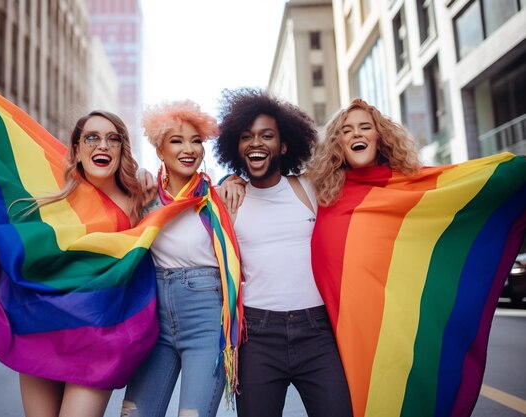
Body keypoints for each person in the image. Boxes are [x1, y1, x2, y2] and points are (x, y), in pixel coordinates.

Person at [0, 72, 154, 417]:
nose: (103, 145)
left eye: (113, 139)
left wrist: (234, 180)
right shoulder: (44, 199)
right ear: (78, 150)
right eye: (93, 138)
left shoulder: (139, 200)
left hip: (98, 342)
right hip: (42, 333)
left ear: (122, 149)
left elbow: (188, 189)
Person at [305, 98, 526, 417]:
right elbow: (273, 188)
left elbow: (465, 185)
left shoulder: (405, 187)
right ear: (337, 143)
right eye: (346, 130)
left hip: (391, 332)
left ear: (379, 136)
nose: (357, 134)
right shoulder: (320, 193)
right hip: (335, 339)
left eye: (365, 127)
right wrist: (234, 181)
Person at [214, 88, 352, 417]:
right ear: (237, 147)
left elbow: (366, 180)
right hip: (257, 337)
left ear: (284, 144)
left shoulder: (309, 188)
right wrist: (225, 179)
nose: (256, 143)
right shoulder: (229, 199)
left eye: (267, 135)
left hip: (318, 332)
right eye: (246, 137)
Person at [121, 100, 242, 417]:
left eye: (196, 140)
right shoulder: (144, 197)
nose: (189, 149)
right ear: (160, 150)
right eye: (177, 141)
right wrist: (140, 174)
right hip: (155, 324)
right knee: (134, 414)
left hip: (206, 321)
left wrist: (234, 179)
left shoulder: (217, 199)